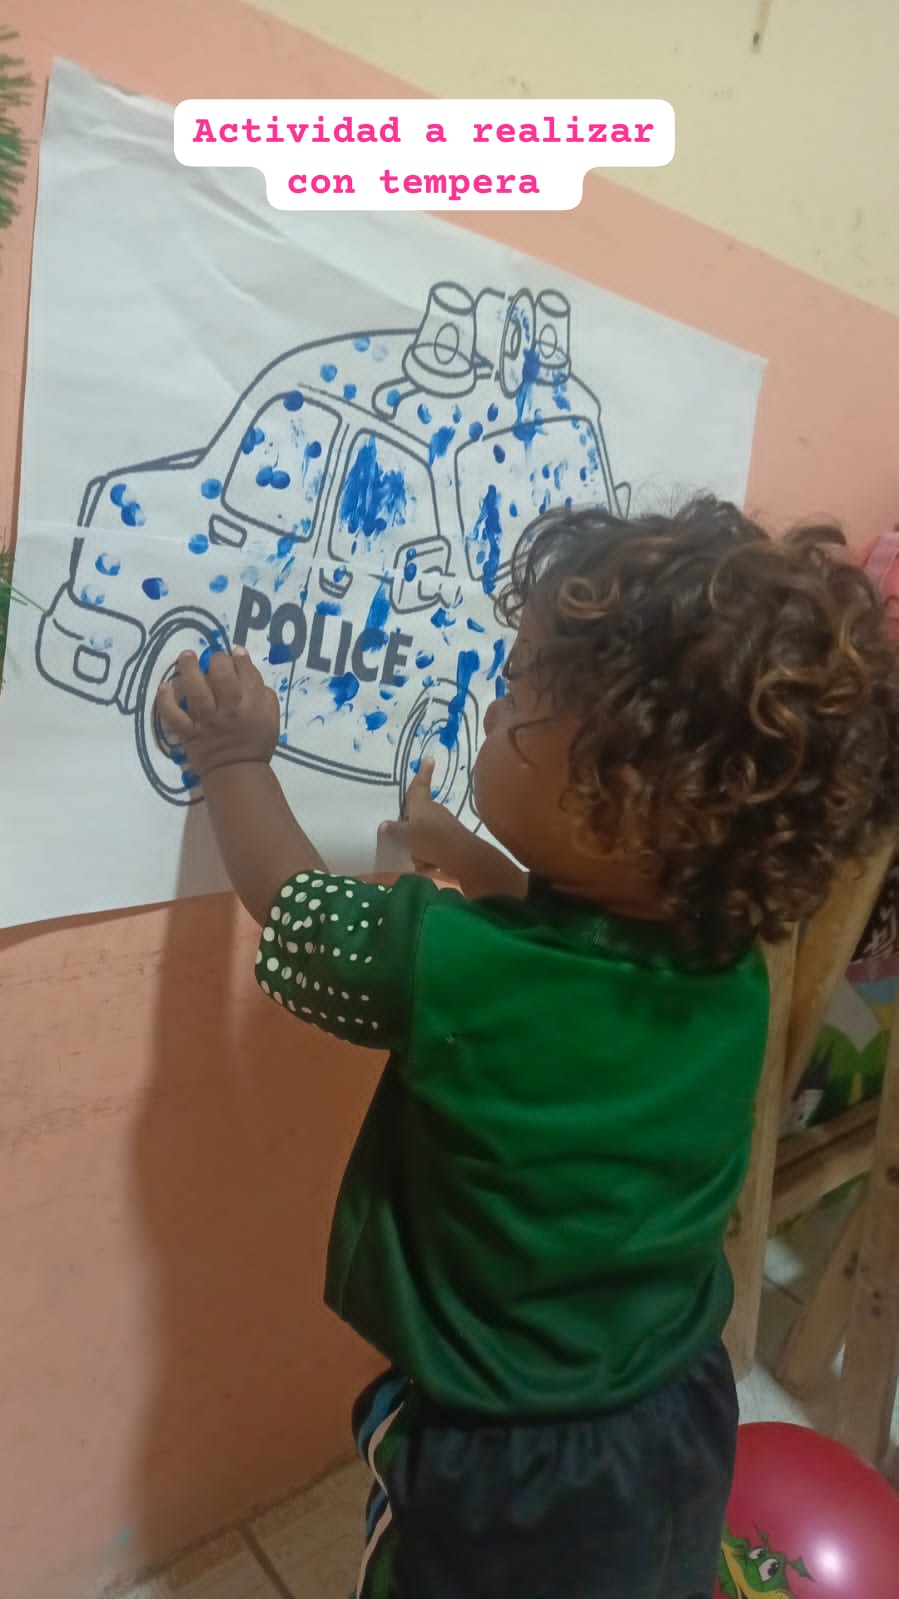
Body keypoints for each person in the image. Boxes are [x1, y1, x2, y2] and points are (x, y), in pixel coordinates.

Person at [157, 497, 899, 1599]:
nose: (490, 702)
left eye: (513, 695)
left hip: (505, 1465)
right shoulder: (727, 969)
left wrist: (231, 759)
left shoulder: (464, 970)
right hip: (676, 1403)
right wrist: (468, 851)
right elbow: (582, 940)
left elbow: (298, 909)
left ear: (620, 801)